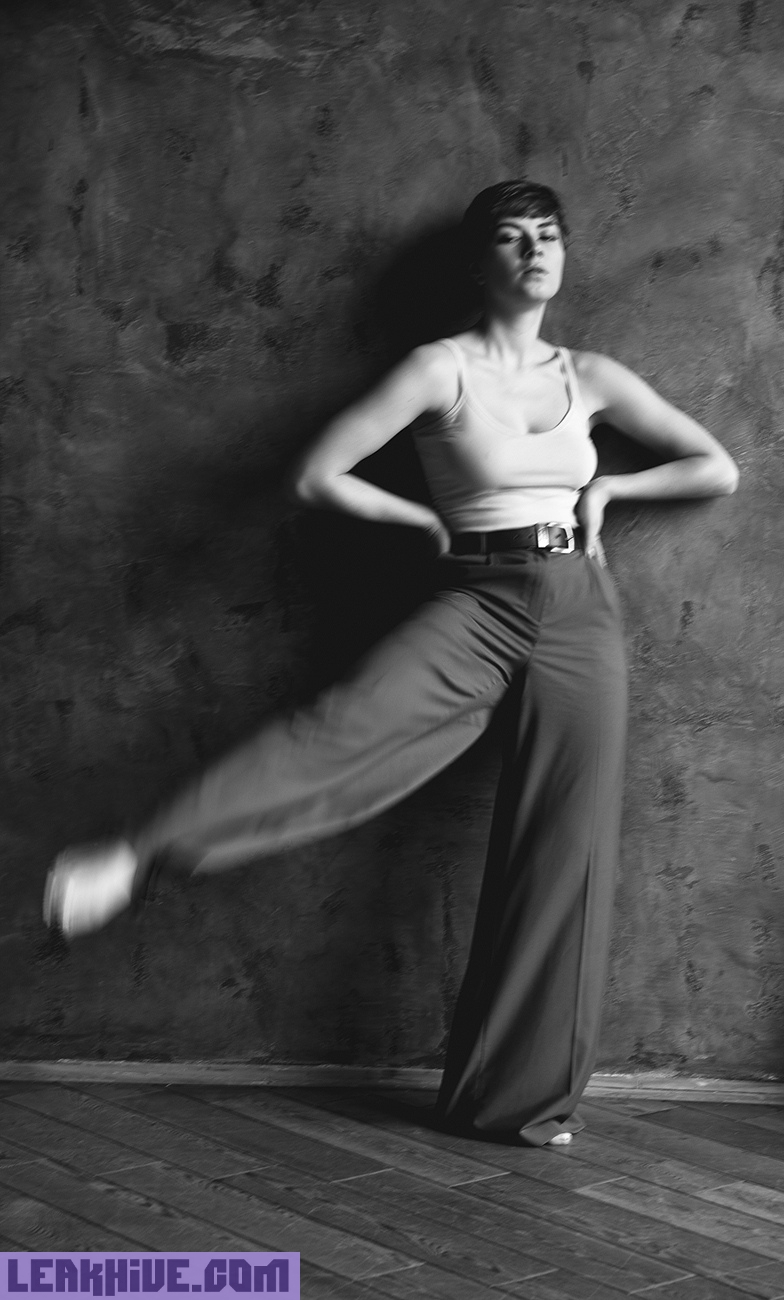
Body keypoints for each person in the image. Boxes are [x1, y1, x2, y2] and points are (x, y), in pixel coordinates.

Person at [43, 181, 739, 1147]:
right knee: (338, 728)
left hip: (581, 608)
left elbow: (716, 467)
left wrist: (611, 491)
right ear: (479, 263)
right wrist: (421, 520)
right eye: (511, 237)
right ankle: (135, 851)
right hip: (478, 598)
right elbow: (315, 474)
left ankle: (517, 1105)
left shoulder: (592, 375)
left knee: (567, 850)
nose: (534, 251)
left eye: (547, 235)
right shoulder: (438, 369)